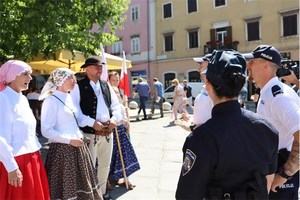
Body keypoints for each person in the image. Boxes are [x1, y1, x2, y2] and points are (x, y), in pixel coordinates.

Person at [176, 50, 279, 200]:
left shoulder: (201, 138)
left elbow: (187, 195)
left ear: (208, 85)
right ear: (242, 84)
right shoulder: (267, 129)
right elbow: (266, 183)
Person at [244, 45, 300, 200]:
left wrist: (283, 175)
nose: (248, 66)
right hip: (271, 165)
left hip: (281, 169)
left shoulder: (278, 96)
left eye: (252, 62)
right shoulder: (269, 91)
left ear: (266, 65)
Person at [40, 68, 102, 200]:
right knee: (66, 188)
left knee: (82, 185)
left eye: (74, 78)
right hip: (63, 151)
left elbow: (77, 118)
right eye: (71, 78)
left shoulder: (68, 96)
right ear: (60, 81)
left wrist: (88, 127)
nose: (75, 81)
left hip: (78, 147)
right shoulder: (51, 101)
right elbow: (46, 130)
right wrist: (69, 140)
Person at [70, 57, 122, 200]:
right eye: (96, 66)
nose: (100, 69)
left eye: (101, 66)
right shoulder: (78, 86)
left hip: (107, 132)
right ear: (87, 68)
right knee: (89, 166)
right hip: (89, 133)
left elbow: (117, 106)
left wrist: (114, 119)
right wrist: (90, 122)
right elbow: (75, 110)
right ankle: (90, 195)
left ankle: (102, 192)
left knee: (105, 165)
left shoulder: (106, 85)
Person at [0, 60, 50, 200]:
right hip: (15, 161)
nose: (30, 78)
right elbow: (0, 137)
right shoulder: (3, 98)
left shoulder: (21, 98)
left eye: (30, 74)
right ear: (11, 76)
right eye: (25, 74)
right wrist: (11, 167)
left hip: (31, 158)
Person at [108, 71, 140, 190]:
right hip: (115, 128)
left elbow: (122, 108)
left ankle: (126, 179)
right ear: (109, 80)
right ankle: (109, 180)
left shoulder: (120, 92)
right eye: (113, 80)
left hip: (122, 129)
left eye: (117, 80)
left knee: (125, 155)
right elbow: (111, 111)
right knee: (112, 156)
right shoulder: (108, 92)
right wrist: (123, 121)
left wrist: (127, 122)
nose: (116, 82)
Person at [178, 54, 213, 131]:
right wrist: (192, 121)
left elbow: (219, 122)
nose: (198, 69)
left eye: (201, 65)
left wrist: (191, 127)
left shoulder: (216, 91)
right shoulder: (206, 89)